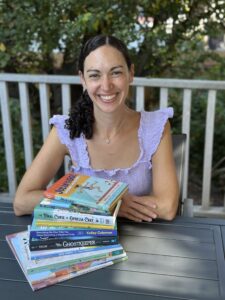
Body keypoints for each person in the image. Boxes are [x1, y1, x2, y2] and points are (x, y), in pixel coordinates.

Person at [13, 34, 179, 221]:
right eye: (94, 75)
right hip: (83, 244)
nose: (106, 85)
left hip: (146, 242)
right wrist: (108, 204)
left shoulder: (156, 127)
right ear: (83, 79)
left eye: (115, 72)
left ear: (130, 74)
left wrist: (77, 203)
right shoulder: (67, 130)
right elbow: (22, 201)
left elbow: (167, 207)